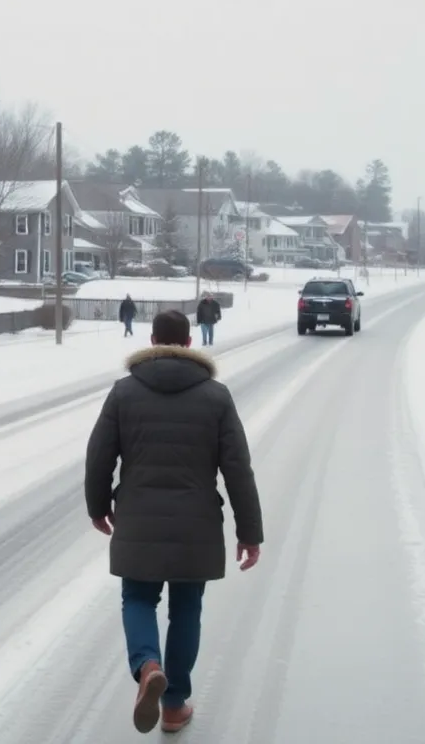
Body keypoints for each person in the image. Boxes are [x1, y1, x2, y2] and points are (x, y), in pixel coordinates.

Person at [85, 309, 263, 734]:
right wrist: (249, 533)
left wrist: (97, 507)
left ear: (152, 340)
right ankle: (174, 704)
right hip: (196, 525)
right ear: (188, 344)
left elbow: (99, 456)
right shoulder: (216, 396)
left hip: (138, 521)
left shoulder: (124, 393)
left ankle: (148, 665)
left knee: (139, 600)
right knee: (187, 608)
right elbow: (238, 468)